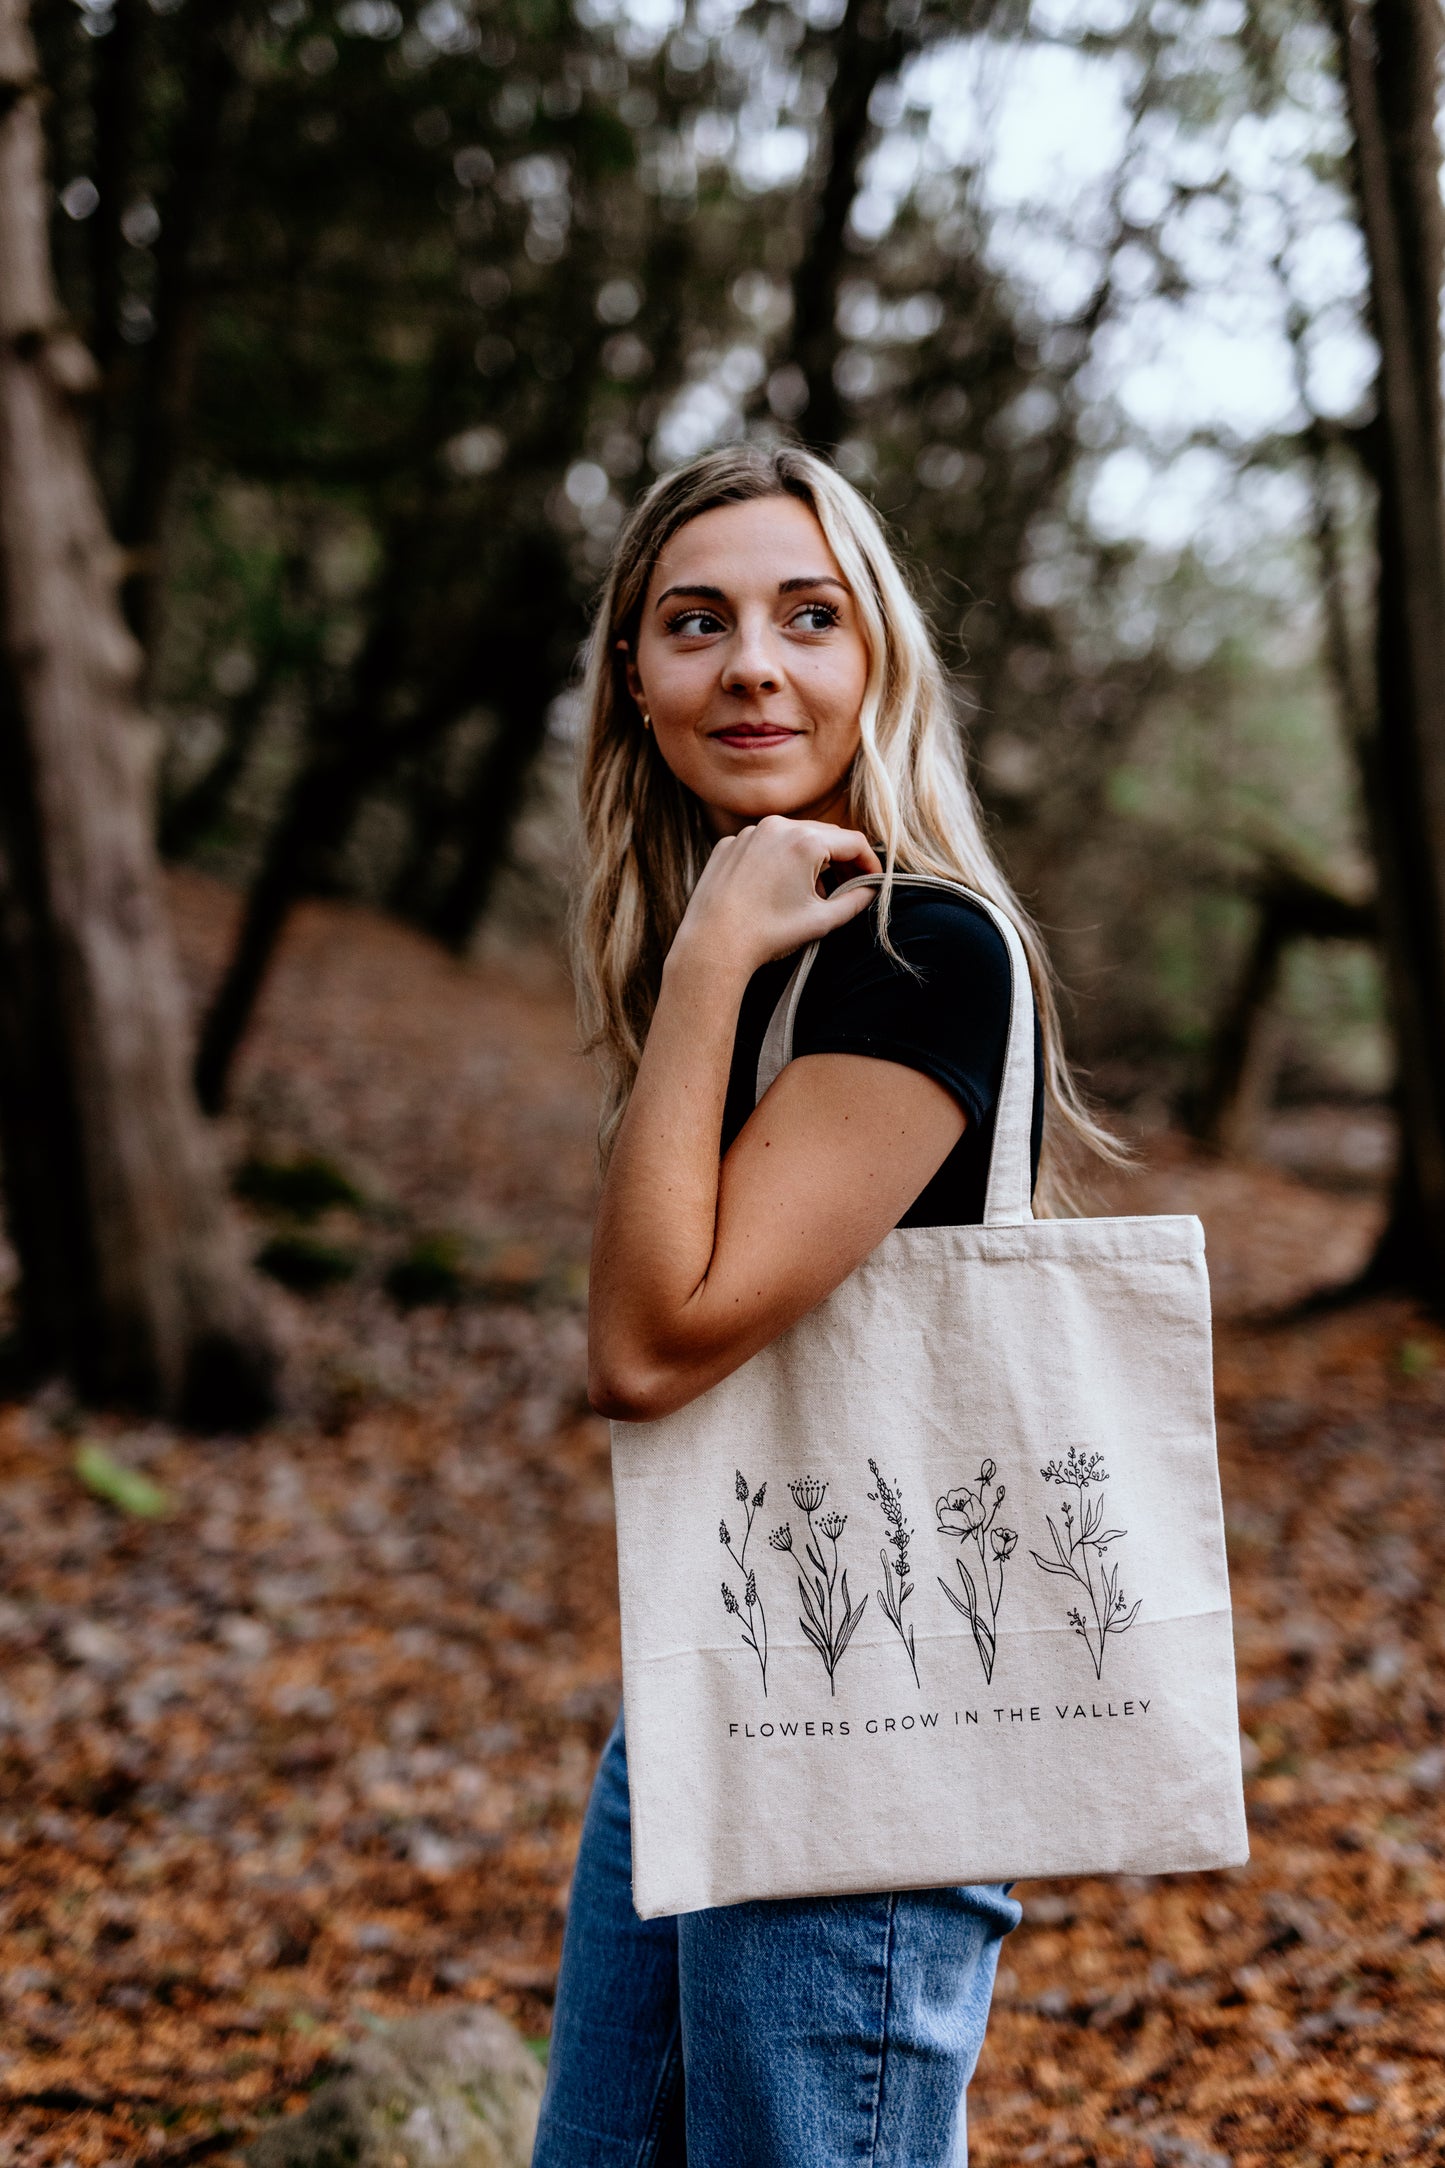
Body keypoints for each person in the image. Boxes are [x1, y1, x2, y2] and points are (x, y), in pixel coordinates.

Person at [532, 443, 1119, 2167]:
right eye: (692, 625)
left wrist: (712, 947)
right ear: (635, 688)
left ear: (876, 659)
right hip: (714, 1672)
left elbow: (645, 1346)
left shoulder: (914, 949)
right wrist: (711, 956)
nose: (751, 667)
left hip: (878, 1706)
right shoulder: (763, 952)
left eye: (808, 615)